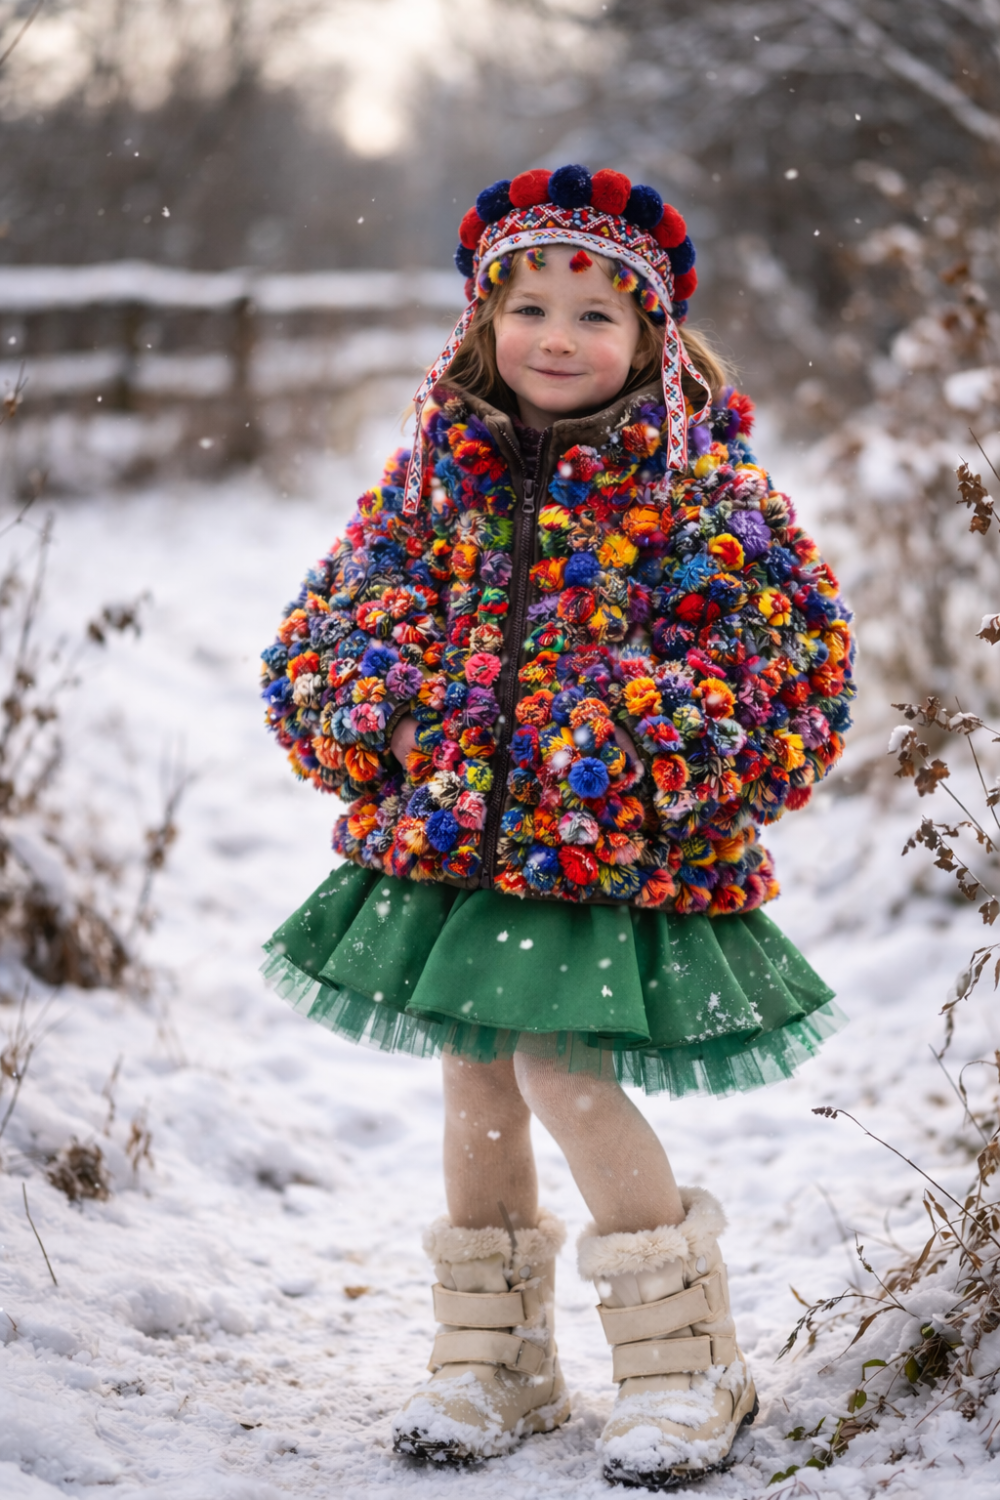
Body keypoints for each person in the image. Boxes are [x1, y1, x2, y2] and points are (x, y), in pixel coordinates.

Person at [260, 164, 854, 1489]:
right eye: (528, 308)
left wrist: (655, 743)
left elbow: (796, 657)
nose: (557, 338)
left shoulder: (698, 484)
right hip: (456, 843)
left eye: (596, 316)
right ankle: (496, 1361)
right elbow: (329, 624)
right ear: (486, 319)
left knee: (562, 1075)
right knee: (476, 1074)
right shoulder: (436, 475)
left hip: (601, 849)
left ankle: (687, 1362)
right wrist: (383, 713)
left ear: (652, 334)